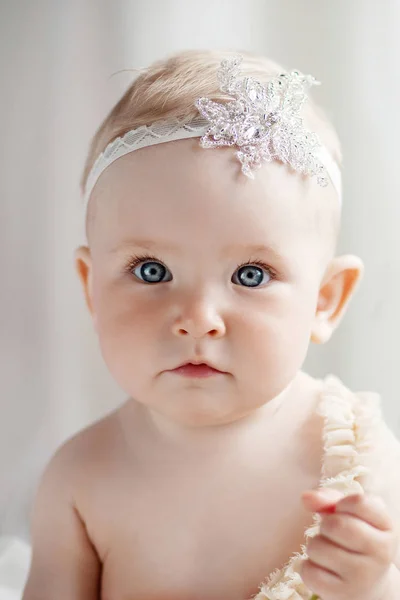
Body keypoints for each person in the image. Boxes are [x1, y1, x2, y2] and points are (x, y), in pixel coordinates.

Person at [22, 50, 400, 600]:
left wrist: (375, 584)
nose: (198, 319)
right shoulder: (81, 478)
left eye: (250, 274)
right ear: (91, 289)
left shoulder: (355, 465)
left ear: (325, 300)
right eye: (152, 271)